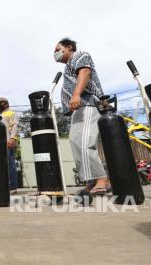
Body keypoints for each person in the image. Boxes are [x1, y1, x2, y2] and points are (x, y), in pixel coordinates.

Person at [54, 38, 110, 195]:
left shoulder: (79, 55)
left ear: (69, 47)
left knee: (85, 141)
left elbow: (85, 72)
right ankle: (91, 181)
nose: (55, 53)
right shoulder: (68, 67)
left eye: (58, 49)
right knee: (75, 141)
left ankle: (101, 179)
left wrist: (76, 94)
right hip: (79, 108)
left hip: (88, 103)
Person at [0, 97, 19, 194]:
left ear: (6, 104)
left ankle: (13, 187)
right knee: (2, 165)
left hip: (8, 142)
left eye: (0, 103)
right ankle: (4, 185)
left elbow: (15, 126)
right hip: (0, 143)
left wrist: (13, 138)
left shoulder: (11, 113)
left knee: (10, 164)